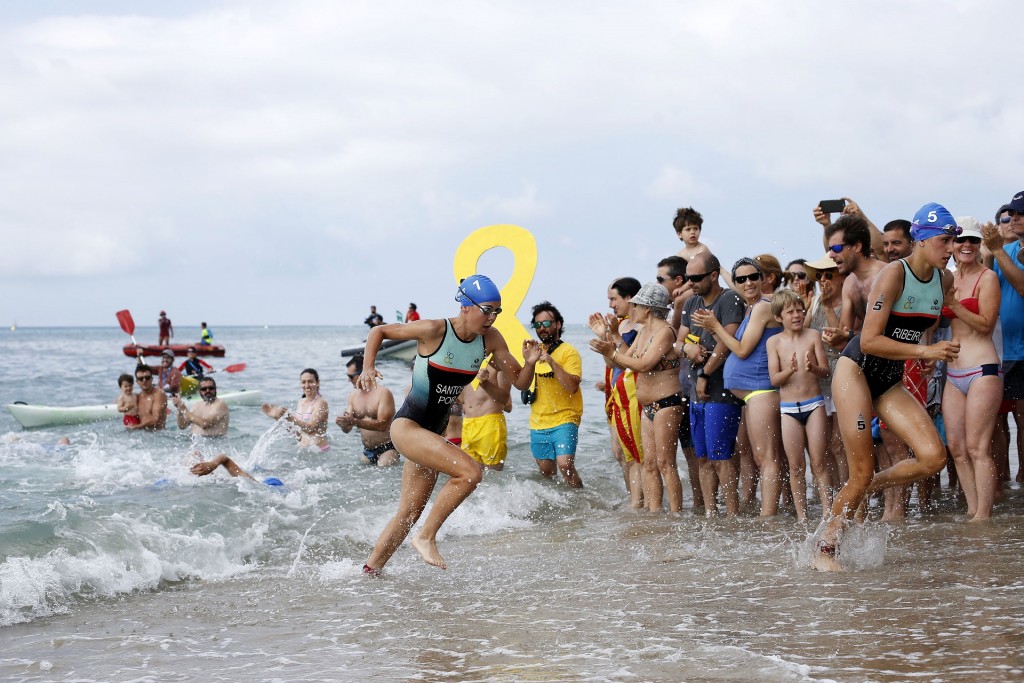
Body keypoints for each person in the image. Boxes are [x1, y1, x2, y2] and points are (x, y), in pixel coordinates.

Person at [815, 202, 960, 571]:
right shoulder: (895, 273)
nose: (952, 248)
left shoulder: (945, 280)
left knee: (933, 457)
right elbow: (868, 341)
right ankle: (825, 551)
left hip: (889, 379)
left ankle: (866, 487)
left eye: (954, 240)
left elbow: (918, 325)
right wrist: (925, 348)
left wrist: (925, 352)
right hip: (856, 373)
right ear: (923, 241)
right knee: (859, 471)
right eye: (946, 240)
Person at [359, 274, 536, 573]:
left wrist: (530, 362)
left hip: (433, 432)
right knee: (470, 472)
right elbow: (379, 331)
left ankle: (369, 573)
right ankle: (427, 537)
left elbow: (519, 383)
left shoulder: (490, 339)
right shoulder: (434, 330)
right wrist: (368, 367)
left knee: (409, 512)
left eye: (497, 311)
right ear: (466, 306)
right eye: (487, 309)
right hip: (409, 427)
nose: (492, 317)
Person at [693, 257, 784, 517]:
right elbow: (734, 284)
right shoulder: (750, 307)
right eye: (741, 279)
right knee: (754, 457)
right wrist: (717, 264)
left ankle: (769, 518)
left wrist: (715, 327)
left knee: (767, 458)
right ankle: (761, 511)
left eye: (753, 277)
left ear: (763, 278)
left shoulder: (763, 307)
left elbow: (742, 350)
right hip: (749, 394)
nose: (747, 283)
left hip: (762, 390)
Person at [591, 283, 684, 512]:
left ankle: (676, 515)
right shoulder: (643, 331)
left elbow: (644, 364)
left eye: (636, 305)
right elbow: (620, 361)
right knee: (650, 464)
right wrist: (607, 342)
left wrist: (611, 352)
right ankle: (654, 513)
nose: (633, 309)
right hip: (648, 405)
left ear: (648, 308)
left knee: (666, 463)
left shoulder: (665, 331)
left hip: (667, 403)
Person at [678, 252, 745, 516]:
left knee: (721, 456)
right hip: (696, 391)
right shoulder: (691, 302)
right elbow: (677, 342)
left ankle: (732, 514)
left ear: (714, 275)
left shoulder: (730, 299)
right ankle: (710, 513)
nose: (690, 282)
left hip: (722, 389)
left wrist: (705, 372)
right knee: (702, 457)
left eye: (696, 277)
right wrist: (687, 349)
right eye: (687, 277)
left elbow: (726, 343)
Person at [943, 218, 1001, 521]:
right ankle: (972, 510)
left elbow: (986, 325)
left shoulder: (987, 277)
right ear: (951, 244)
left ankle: (984, 517)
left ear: (980, 245)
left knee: (978, 448)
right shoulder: (946, 277)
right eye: (961, 239)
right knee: (957, 448)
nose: (967, 245)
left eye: (973, 241)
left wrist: (955, 302)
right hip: (953, 373)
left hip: (982, 368)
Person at [766, 289, 831, 520]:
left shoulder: (813, 335)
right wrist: (790, 370)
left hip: (814, 405)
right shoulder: (773, 342)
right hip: (789, 409)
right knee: (796, 467)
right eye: (790, 311)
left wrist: (813, 368)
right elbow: (774, 379)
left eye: (799, 310)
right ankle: (802, 516)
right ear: (778, 317)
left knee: (819, 462)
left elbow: (825, 371)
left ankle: (827, 512)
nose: (796, 315)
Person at [591, 277, 645, 508]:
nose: (611, 304)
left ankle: (639, 501)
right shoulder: (620, 325)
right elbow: (612, 362)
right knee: (619, 452)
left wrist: (611, 335)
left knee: (634, 453)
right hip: (616, 393)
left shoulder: (641, 327)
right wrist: (605, 335)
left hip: (635, 394)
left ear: (630, 298)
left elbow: (631, 361)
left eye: (614, 299)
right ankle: (633, 495)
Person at [522, 301, 585, 488]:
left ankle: (580, 499)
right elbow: (522, 382)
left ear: (558, 324)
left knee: (565, 465)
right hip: (538, 421)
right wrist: (528, 362)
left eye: (547, 323)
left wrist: (551, 361)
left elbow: (572, 386)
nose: (542, 328)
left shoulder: (569, 352)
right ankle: (559, 506)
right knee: (547, 473)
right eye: (537, 324)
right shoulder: (534, 351)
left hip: (566, 417)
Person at [985, 189, 1024, 486]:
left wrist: (996, 250)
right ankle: (1001, 484)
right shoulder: (1005, 251)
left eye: (1021, 213)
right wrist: (987, 253)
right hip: (1001, 351)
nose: (1015, 218)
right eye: (1012, 213)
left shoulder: (1003, 251)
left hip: (1023, 353)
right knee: (995, 422)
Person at [821, 214, 887, 351]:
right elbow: (841, 343)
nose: (831, 255)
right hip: (873, 354)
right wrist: (827, 307)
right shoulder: (850, 284)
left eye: (837, 248)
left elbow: (891, 332)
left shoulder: (886, 275)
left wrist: (847, 335)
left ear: (857, 246)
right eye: (830, 249)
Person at [336, 356, 400, 467]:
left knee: (383, 466)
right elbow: (347, 429)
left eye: (350, 376)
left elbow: (382, 425)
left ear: (362, 374)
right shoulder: (352, 396)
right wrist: (343, 424)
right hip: (367, 451)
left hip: (387, 448)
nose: (348, 380)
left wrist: (354, 421)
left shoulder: (383, 393)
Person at [459, 361, 513, 470]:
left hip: (490, 424)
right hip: (467, 424)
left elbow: (505, 400)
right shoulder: (462, 364)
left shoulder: (498, 364)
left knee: (494, 475)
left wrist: (485, 383)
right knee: (470, 474)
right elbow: (462, 400)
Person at [262, 369, 331, 451]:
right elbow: (297, 433)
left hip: (319, 451)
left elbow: (310, 428)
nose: (307, 385)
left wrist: (290, 418)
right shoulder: (300, 402)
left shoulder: (321, 403)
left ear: (317, 382)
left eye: (310, 381)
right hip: (304, 450)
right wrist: (278, 417)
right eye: (303, 382)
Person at [128, 365, 167, 431]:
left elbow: (155, 419)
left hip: (158, 434)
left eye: (147, 378)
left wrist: (136, 427)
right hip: (141, 434)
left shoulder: (159, 394)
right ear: (137, 382)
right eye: (141, 378)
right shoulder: (138, 397)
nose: (144, 380)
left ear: (152, 379)